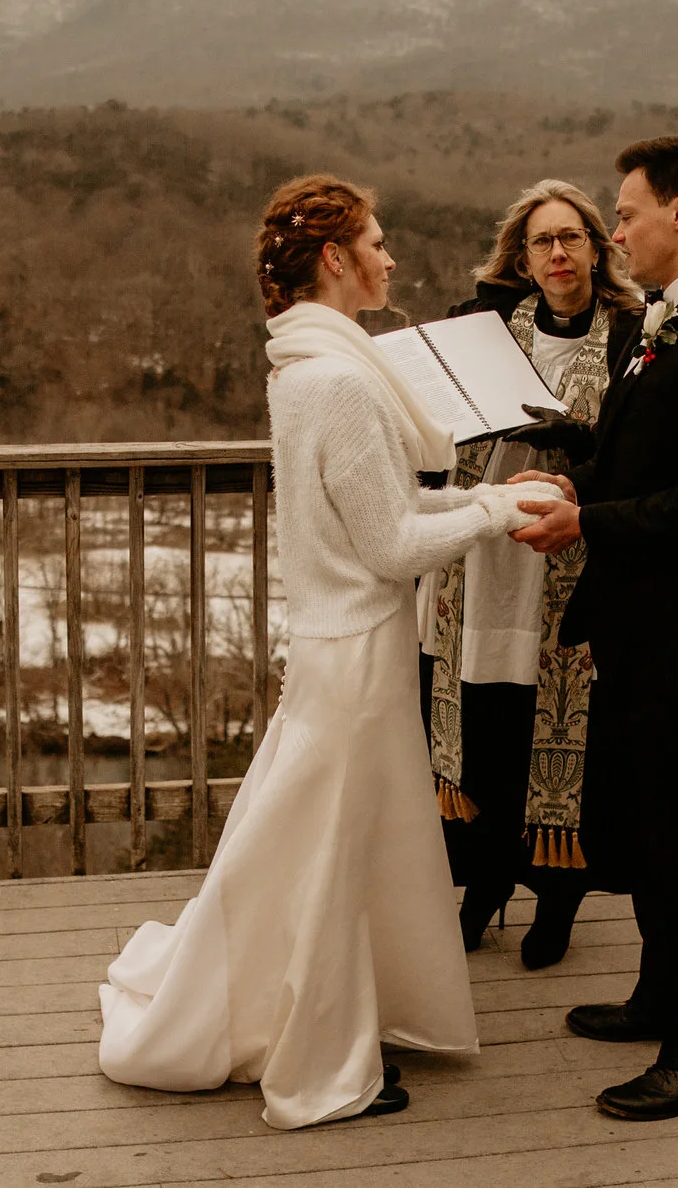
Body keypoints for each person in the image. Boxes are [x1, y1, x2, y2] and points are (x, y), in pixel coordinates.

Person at [96, 173, 539, 1130]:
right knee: (332, 850)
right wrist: (499, 509)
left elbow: (384, 514)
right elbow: (389, 547)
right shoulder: (340, 380)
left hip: (342, 644)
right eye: (377, 241)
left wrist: (480, 504)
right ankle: (324, 1060)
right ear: (335, 258)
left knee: (322, 839)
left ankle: (324, 1006)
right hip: (355, 654)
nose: (389, 257)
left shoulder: (307, 367)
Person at [509, 135, 678, 1122]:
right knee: (651, 831)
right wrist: (571, 481)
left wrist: (585, 521)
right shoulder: (666, 322)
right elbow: (639, 463)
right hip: (634, 624)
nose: (612, 230)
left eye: (623, 213)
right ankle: (661, 994)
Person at [421, 179, 642, 968]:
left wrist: (583, 437)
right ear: (522, 254)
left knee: (555, 743)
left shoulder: (629, 336)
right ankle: (482, 888)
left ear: (597, 249)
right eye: (542, 241)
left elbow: (639, 452)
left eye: (572, 238)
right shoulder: (479, 331)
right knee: (487, 732)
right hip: (483, 563)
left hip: (570, 562)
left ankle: (556, 899)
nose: (557, 253)